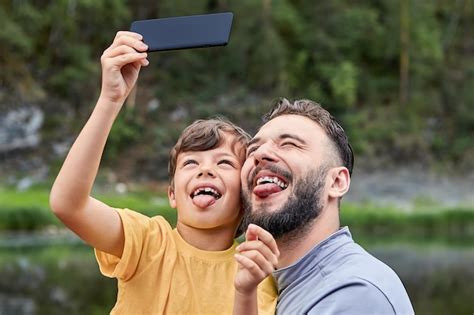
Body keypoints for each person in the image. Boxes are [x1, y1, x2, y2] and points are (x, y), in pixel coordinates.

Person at [49, 31, 278, 314]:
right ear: (172, 193)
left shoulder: (259, 272)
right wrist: (110, 99)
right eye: (191, 163)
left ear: (246, 195)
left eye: (224, 163)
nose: (205, 169)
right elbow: (67, 204)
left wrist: (246, 291)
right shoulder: (147, 242)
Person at [239, 98, 415, 314]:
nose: (259, 155)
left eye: (289, 144)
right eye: (252, 150)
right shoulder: (274, 288)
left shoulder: (352, 292)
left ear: (337, 182)